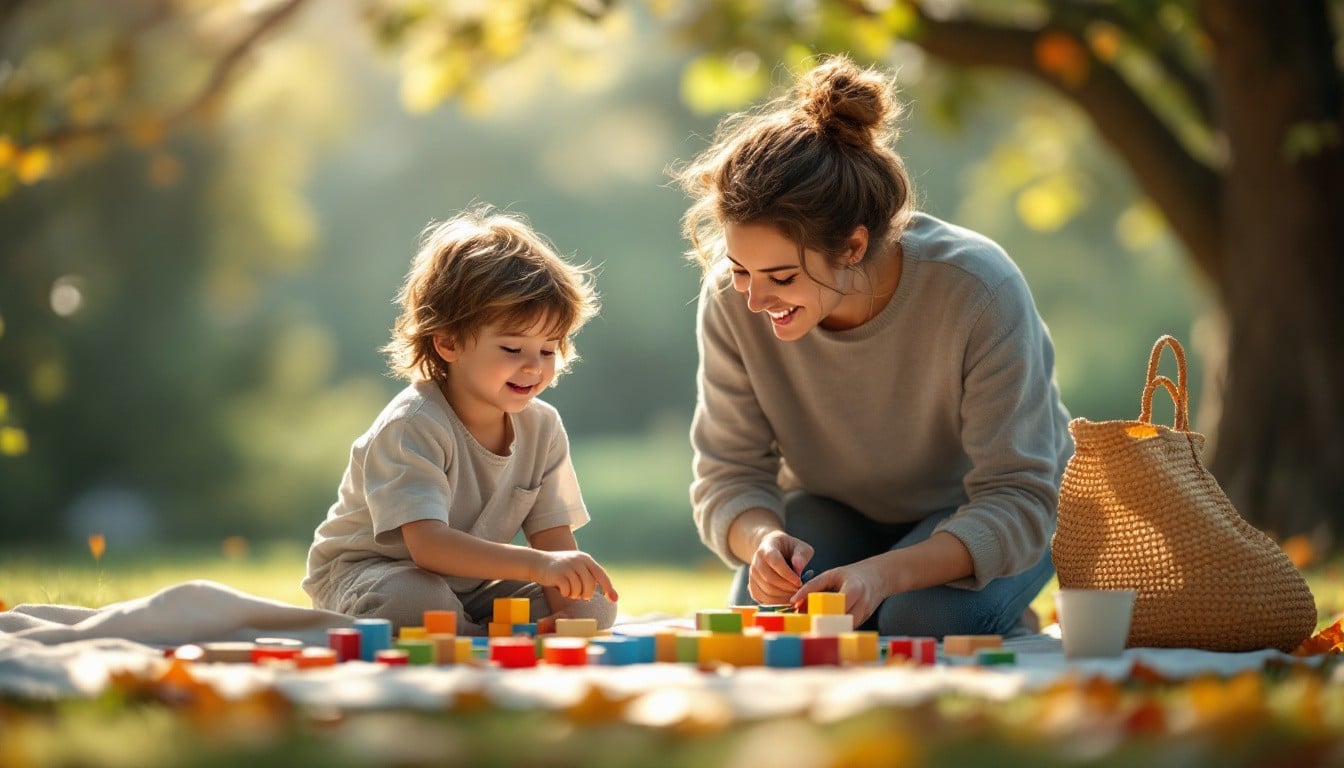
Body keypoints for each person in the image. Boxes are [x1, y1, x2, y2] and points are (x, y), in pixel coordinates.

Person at [674, 54, 1072, 638]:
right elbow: (729, 474)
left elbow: (1018, 496)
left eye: (782, 278)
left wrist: (884, 577)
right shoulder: (733, 301)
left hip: (977, 516)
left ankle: (997, 606)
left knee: (915, 619)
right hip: (835, 512)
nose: (755, 301)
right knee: (781, 623)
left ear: (853, 247)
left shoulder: (978, 289)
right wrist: (761, 541)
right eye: (739, 270)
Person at [302, 206, 618, 635]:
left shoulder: (542, 427)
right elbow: (428, 547)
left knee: (592, 606)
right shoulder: (412, 425)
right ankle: (475, 637)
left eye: (547, 351)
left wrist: (568, 600)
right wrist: (540, 566)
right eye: (512, 349)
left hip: (468, 585)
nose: (533, 367)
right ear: (448, 342)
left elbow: (552, 538)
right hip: (374, 574)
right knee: (417, 602)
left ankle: (469, 632)